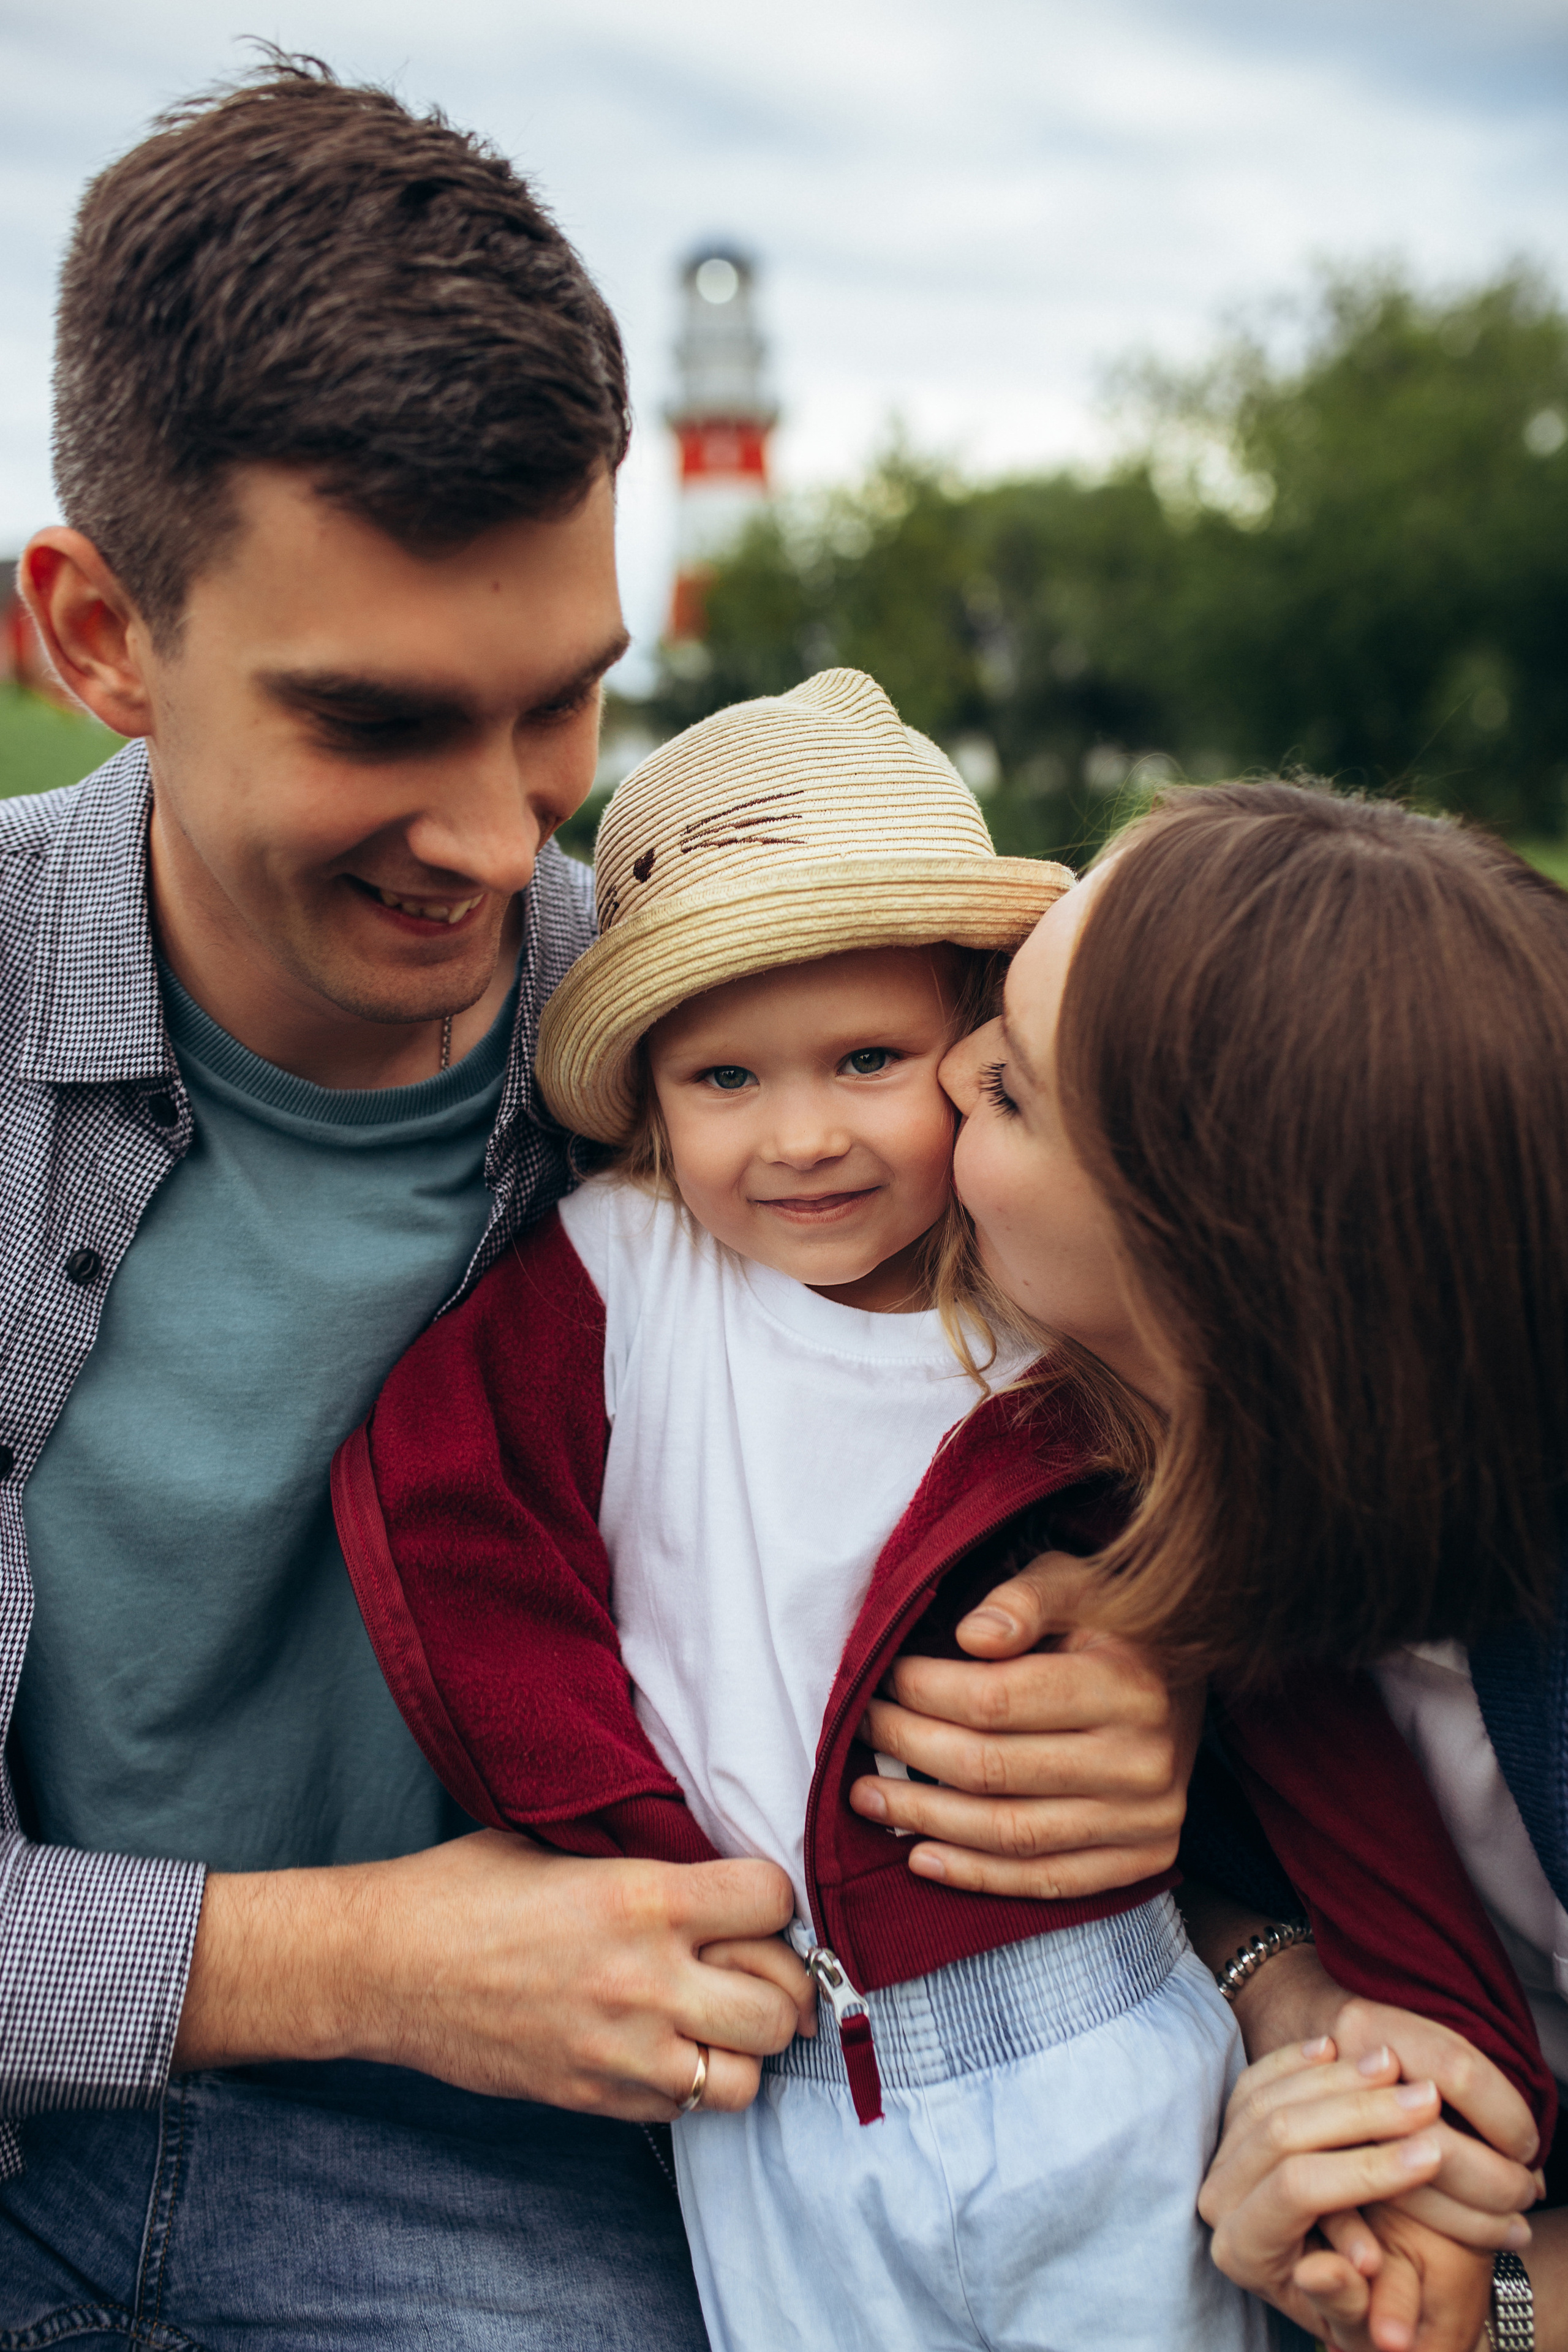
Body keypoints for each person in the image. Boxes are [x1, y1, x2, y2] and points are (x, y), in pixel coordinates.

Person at [0, 58, 1198, 2344]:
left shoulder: (750, 1068)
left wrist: (1143, 1697)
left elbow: (1150, 1431)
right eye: (375, 722)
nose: (497, 836)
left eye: (561, 706)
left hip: (547, 2159)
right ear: (97, 641)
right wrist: (330, 1957)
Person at [334, 667, 1262, 2351]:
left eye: (867, 1058)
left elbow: (1245, 1534)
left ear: (976, 1043)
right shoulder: (630, 1278)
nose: (805, 1138)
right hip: (768, 2066)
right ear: (649, 1097)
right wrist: (621, 1828)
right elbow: (445, 1512)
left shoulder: (1053, 1301)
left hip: (1089, 2019)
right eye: (724, 1081)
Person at [938, 779, 1568, 2351]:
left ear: (1201, 1274)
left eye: (1010, 1091)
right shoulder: (1098, 1485)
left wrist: (1479, 2310)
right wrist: (1273, 1984)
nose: (944, 1068)